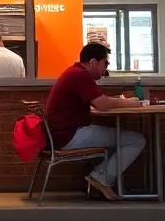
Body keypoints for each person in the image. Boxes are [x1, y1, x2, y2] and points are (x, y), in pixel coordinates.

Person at [45, 42, 145, 200]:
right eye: (106, 63)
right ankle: (100, 178)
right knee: (135, 140)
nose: (106, 68)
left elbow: (99, 101)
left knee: (119, 140)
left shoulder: (75, 73)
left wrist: (114, 101)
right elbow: (102, 104)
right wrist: (129, 102)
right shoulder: (79, 75)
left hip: (63, 133)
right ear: (93, 62)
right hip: (69, 135)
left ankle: (100, 178)